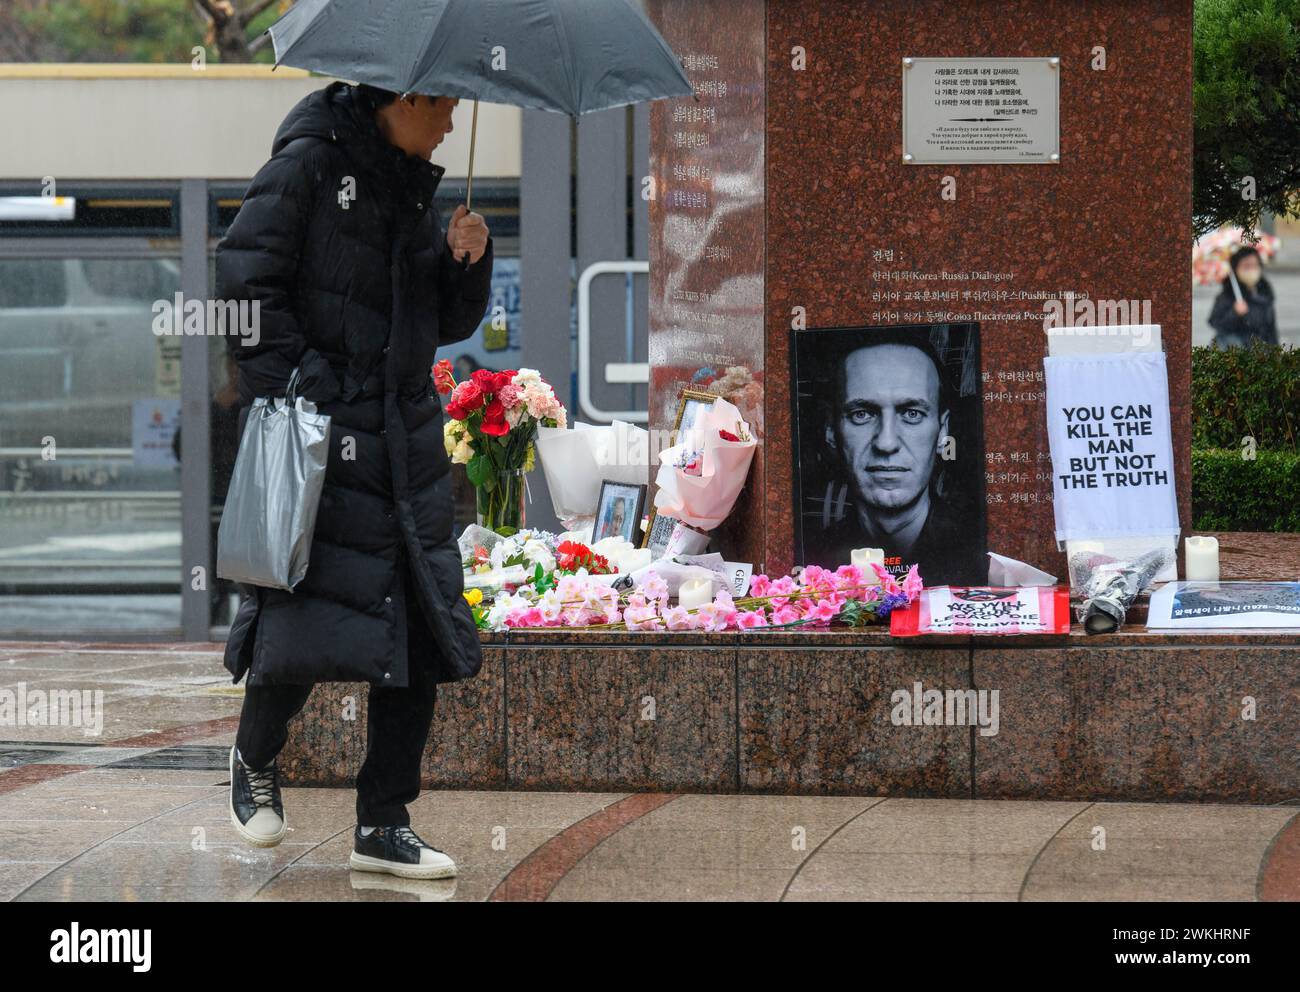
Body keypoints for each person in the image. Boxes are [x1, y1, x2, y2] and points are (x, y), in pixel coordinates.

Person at [216, 80, 493, 880]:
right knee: (302, 613)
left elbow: (440, 320)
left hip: (403, 441)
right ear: (404, 99)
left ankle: (384, 823)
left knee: (415, 632)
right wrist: (307, 384)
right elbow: (243, 284)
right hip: (323, 437)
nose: (450, 124)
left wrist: (462, 262)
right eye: (443, 108)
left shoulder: (411, 191)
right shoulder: (308, 165)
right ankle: (253, 760)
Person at [804, 330, 986, 585]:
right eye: (862, 414)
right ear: (832, 431)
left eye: (911, 413)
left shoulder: (980, 550)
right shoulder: (813, 558)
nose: (886, 443)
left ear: (943, 430)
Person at [1209, 246, 1278, 349]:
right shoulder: (1227, 294)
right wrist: (1234, 313)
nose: (1251, 270)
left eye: (1255, 265)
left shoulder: (1265, 293)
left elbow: (1271, 330)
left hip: (1261, 355)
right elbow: (1215, 322)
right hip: (1235, 355)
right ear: (1236, 269)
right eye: (1246, 266)